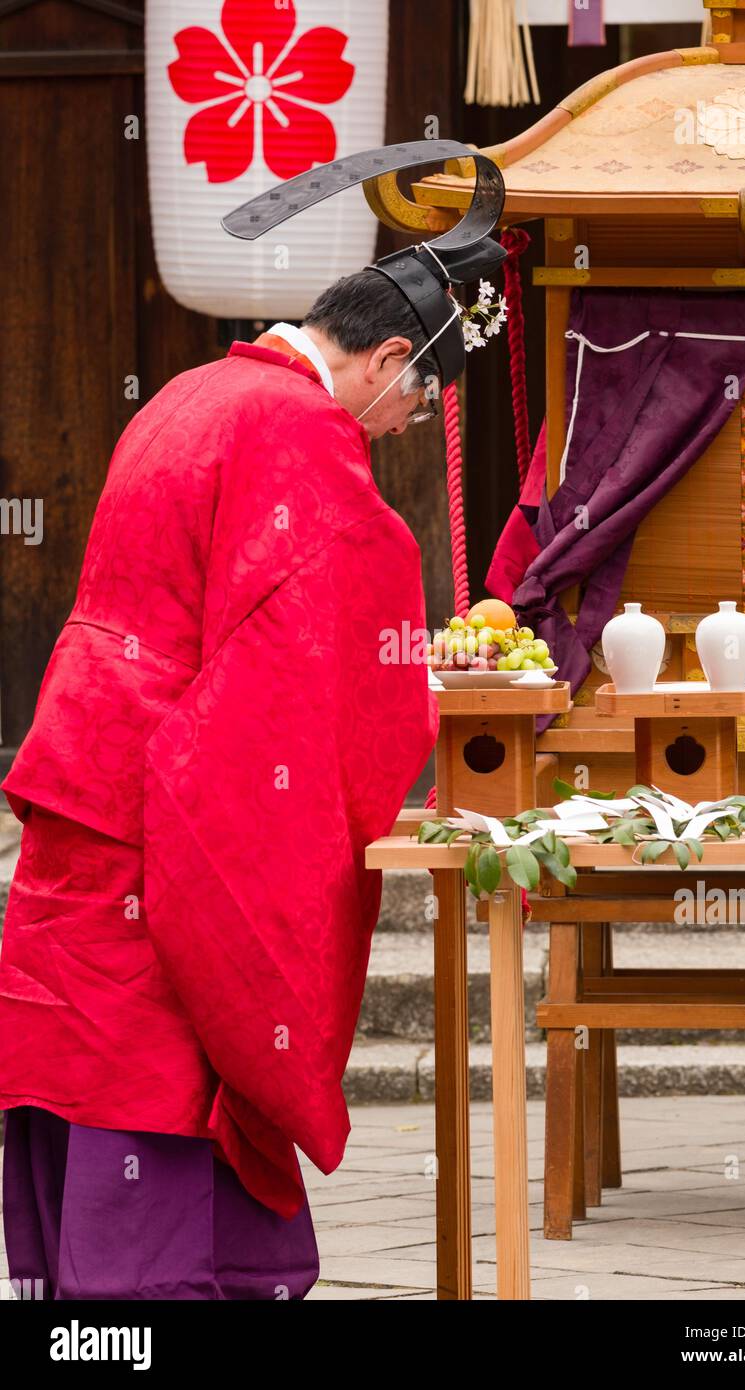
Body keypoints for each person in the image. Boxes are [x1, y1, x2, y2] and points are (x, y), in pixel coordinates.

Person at [0, 140, 506, 1300]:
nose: (402, 427)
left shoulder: (193, 391)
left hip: (86, 767)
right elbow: (288, 658)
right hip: (160, 802)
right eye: (415, 400)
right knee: (159, 1071)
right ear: (386, 357)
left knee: (92, 1063)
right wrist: (417, 673)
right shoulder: (293, 431)